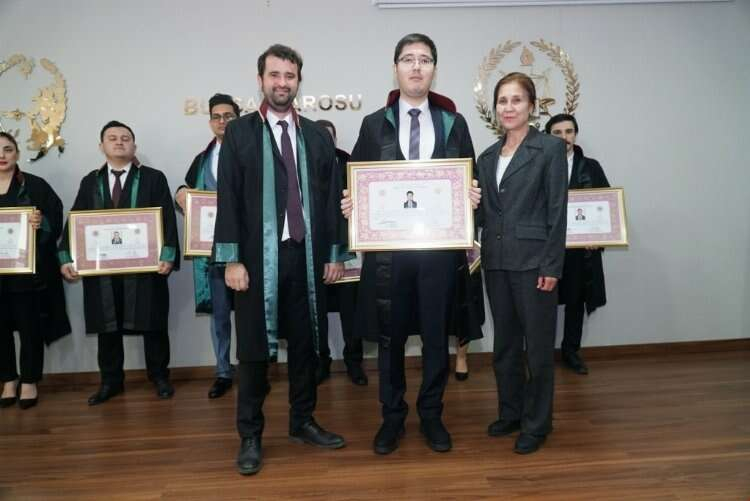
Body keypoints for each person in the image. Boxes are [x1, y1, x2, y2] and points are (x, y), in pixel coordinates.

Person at [341, 33, 482, 455]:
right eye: (408, 59)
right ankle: (392, 417)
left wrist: (472, 196)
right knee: (391, 336)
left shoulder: (454, 123)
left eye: (424, 59)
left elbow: (469, 178)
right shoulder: (374, 124)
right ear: (396, 68)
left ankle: (432, 414)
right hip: (389, 255)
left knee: (436, 335)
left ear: (434, 69)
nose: (416, 66)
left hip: (438, 253)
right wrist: (351, 203)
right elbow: (359, 181)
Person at [213, 44, 348, 476]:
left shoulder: (316, 136)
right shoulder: (240, 133)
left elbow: (331, 198)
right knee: (254, 352)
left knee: (307, 347)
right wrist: (231, 260)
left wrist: (335, 253)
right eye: (274, 75)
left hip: (306, 258)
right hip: (256, 263)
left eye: (290, 76)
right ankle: (250, 435)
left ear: (298, 81)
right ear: (261, 80)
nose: (282, 83)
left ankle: (302, 421)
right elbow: (228, 198)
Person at [475, 72, 567, 454]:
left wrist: (552, 266)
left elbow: (557, 211)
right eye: (502, 100)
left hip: (534, 263)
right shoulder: (486, 157)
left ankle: (537, 423)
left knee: (539, 350)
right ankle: (510, 412)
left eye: (516, 100)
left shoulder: (549, 149)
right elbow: (484, 214)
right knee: (505, 346)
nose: (508, 107)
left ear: (531, 105)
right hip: (496, 262)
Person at [59, 121, 179, 406]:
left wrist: (168, 255)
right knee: (107, 326)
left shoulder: (153, 178)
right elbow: (76, 220)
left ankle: (160, 377)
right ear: (101, 146)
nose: (119, 142)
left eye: (125, 138)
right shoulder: (91, 181)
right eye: (112, 138)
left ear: (134, 146)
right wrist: (66, 256)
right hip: (104, 269)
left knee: (153, 323)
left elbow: (167, 218)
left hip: (145, 268)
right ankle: (110, 381)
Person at [175, 93, 239, 399]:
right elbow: (188, 191)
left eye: (228, 116)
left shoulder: (253, 153)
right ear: (210, 121)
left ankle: (254, 370)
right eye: (216, 116)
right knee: (220, 315)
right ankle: (223, 371)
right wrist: (180, 192)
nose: (222, 121)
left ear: (238, 119)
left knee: (252, 314)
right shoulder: (202, 159)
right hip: (213, 252)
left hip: (247, 251)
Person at [0, 132, 71, 410]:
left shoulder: (35, 185)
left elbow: (55, 218)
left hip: (27, 274)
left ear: (17, 153)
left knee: (30, 328)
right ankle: (8, 380)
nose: (2, 155)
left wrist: (42, 224)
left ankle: (29, 380)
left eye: (8, 149)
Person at [546, 113, 610, 375]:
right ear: (548, 137)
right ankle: (540, 355)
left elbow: (605, 205)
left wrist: (599, 237)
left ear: (575, 134)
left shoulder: (591, 167)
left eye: (569, 131)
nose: (564, 137)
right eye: (557, 133)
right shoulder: (539, 165)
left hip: (578, 251)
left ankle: (571, 351)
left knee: (575, 301)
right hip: (546, 249)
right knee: (542, 304)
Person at [314, 119, 367, 386]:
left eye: (329, 137)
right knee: (317, 312)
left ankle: (354, 363)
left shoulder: (350, 164)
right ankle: (321, 362)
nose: (325, 141)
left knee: (351, 311)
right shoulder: (302, 164)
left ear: (335, 140)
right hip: (315, 251)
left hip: (348, 251)